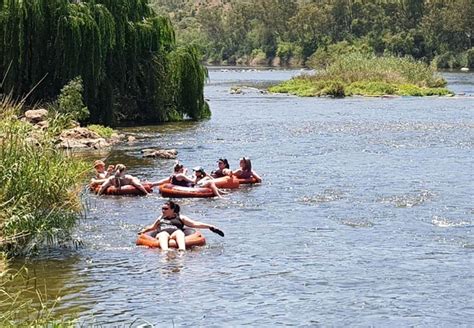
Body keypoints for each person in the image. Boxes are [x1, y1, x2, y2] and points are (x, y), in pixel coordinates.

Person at [138, 201, 224, 251]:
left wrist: (210, 227)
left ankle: (182, 250)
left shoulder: (181, 217)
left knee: (179, 232)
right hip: (162, 234)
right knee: (164, 233)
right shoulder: (160, 218)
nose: (163, 210)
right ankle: (165, 251)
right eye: (162, 208)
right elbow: (152, 227)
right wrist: (143, 232)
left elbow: (194, 224)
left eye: (166, 209)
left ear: (172, 210)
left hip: (174, 234)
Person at [152, 163, 225, 198]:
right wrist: (195, 174)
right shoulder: (181, 175)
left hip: (180, 188)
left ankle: (220, 191)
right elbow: (193, 181)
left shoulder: (173, 175)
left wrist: (152, 184)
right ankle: (219, 195)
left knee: (206, 178)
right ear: (181, 169)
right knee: (210, 182)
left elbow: (162, 182)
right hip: (192, 188)